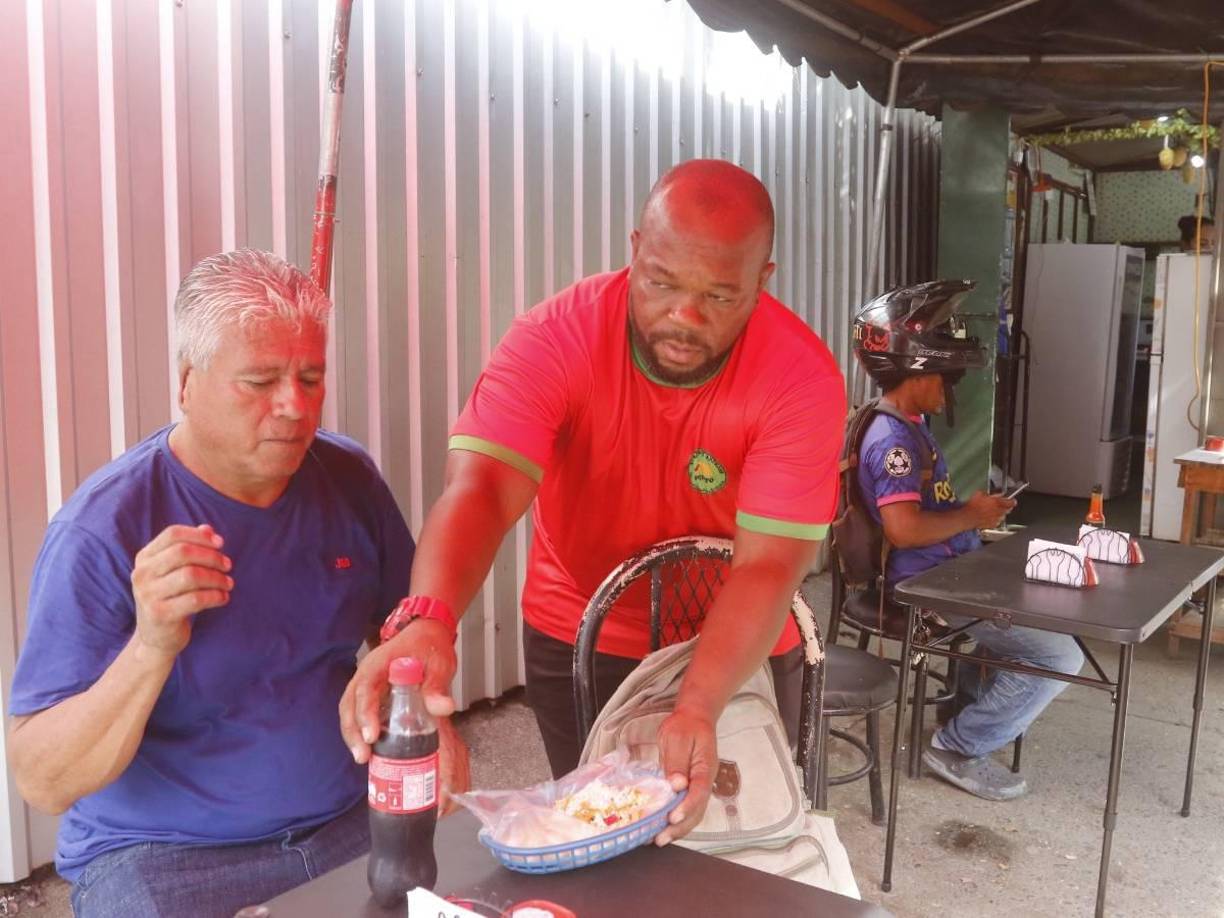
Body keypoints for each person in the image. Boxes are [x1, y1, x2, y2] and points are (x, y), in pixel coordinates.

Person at [340, 159, 846, 845]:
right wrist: (428, 619)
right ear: (635, 249)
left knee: (736, 853)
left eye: (720, 298)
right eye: (662, 282)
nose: (684, 316)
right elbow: (483, 488)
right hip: (578, 630)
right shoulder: (557, 337)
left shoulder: (799, 376)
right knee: (597, 841)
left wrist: (697, 701)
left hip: (737, 643)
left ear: (763, 280)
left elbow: (770, 565)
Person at [6, 250, 416, 917]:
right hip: (163, 857)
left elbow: (407, 628)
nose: (294, 406)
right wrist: (151, 646)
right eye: (259, 381)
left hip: (348, 820)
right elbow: (42, 779)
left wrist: (417, 698)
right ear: (187, 384)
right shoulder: (104, 527)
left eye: (310, 377)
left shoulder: (348, 477)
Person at [851, 280, 1084, 801]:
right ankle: (956, 745)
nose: (948, 389)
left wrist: (974, 516)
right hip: (927, 583)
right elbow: (904, 530)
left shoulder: (908, 424)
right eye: (943, 377)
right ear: (914, 371)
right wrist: (970, 517)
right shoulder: (894, 442)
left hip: (950, 570)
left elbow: (928, 513)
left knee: (1042, 602)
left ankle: (964, 709)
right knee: (1061, 657)